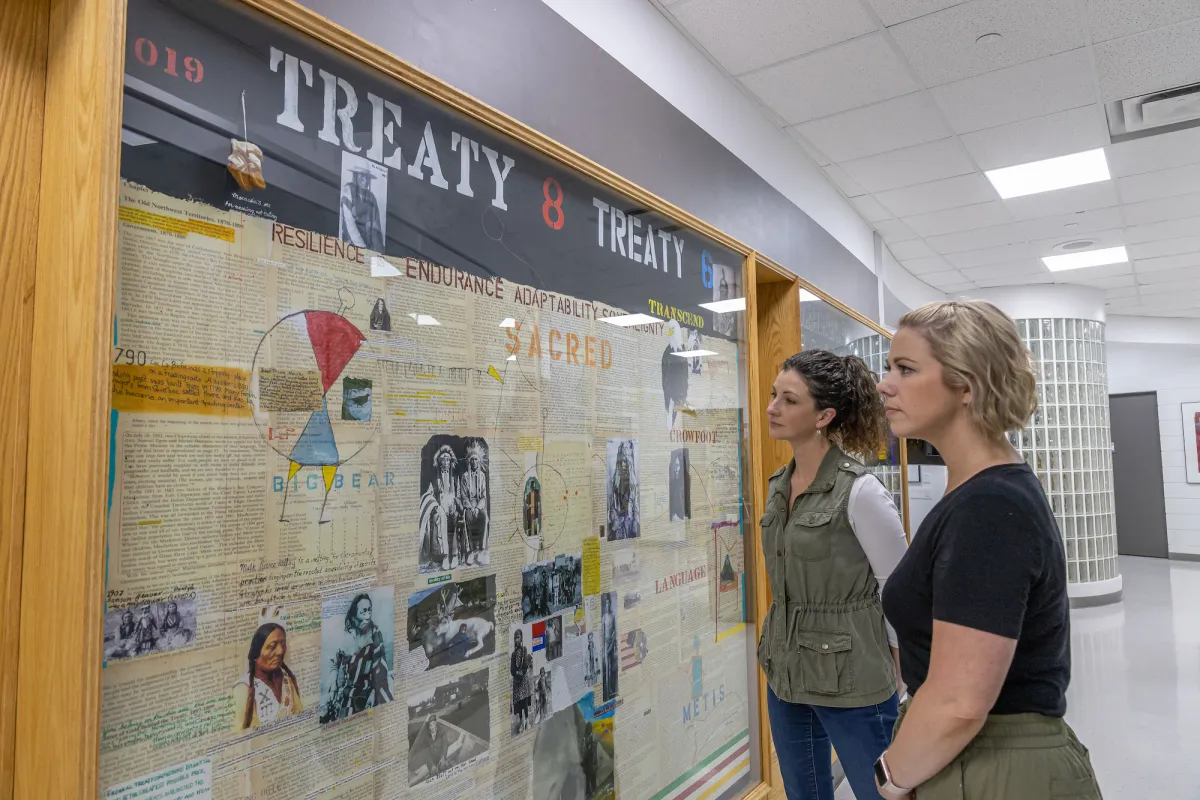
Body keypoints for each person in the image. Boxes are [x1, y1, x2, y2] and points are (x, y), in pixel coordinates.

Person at [874, 301, 1102, 799]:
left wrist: (889, 778)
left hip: (994, 769)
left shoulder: (990, 505)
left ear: (967, 385)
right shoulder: (979, 492)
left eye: (905, 369)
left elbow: (958, 702)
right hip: (967, 760)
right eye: (889, 368)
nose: (884, 384)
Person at [758, 349, 909, 800]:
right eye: (773, 395)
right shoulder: (777, 486)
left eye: (788, 400)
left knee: (878, 794)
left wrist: (900, 685)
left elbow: (897, 590)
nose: (772, 408)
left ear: (824, 415)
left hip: (853, 680)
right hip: (786, 675)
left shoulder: (861, 491)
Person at [323, 593, 395, 722]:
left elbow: (380, 669)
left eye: (369, 610)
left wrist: (374, 692)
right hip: (347, 692)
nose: (368, 615)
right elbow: (333, 662)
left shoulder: (375, 634)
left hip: (366, 690)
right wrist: (333, 680)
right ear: (354, 614)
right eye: (363, 611)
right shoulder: (346, 637)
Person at [232, 622, 303, 730]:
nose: (280, 651)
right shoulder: (243, 688)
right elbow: (239, 733)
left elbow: (299, 715)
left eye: (282, 643)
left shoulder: (287, 681)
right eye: (272, 646)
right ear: (257, 652)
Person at [419, 445, 462, 571]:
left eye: (448, 459)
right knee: (440, 517)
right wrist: (437, 507)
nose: (446, 462)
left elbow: (458, 495)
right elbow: (430, 495)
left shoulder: (455, 478)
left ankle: (454, 555)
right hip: (440, 509)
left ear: (451, 462)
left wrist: (455, 505)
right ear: (439, 462)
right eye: (443, 459)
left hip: (452, 508)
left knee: (455, 517)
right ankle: (445, 555)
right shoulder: (434, 479)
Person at [340, 164, 385, 252]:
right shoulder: (347, 191)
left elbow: (376, 227)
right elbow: (350, 225)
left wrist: (378, 252)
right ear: (355, 176)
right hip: (351, 245)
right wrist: (362, 249)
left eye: (367, 177)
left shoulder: (371, 197)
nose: (365, 181)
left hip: (368, 247)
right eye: (362, 176)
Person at [458, 440, 489, 566]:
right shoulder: (465, 476)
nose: (474, 462)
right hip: (469, 505)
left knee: (483, 516)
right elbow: (463, 496)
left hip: (479, 505)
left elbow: (483, 495)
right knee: (468, 517)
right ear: (469, 461)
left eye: (476, 459)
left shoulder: (482, 476)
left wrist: (478, 508)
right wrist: (471, 507)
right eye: (472, 460)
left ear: (479, 461)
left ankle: (481, 550)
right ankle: (470, 551)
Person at [511, 629, 533, 733]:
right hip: (516, 681)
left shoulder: (524, 649)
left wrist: (522, 673)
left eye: (518, 637)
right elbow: (512, 669)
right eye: (515, 637)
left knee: (524, 701)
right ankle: (521, 721)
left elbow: (525, 664)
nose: (516, 639)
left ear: (521, 638)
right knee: (519, 702)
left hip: (523, 680)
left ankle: (527, 721)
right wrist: (516, 674)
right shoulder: (513, 654)